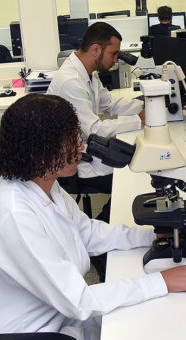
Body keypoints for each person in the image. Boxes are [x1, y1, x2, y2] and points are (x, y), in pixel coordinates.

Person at [0, 93, 186, 340]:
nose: (81, 146)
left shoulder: (41, 179)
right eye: (71, 140)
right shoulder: (15, 215)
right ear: (39, 153)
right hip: (37, 333)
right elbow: (80, 301)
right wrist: (160, 282)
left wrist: (151, 236)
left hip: (63, 317)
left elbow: (85, 232)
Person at [47, 22, 145, 224]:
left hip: (87, 149)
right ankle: (104, 227)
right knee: (133, 178)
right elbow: (94, 130)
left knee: (138, 164)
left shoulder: (88, 74)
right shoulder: (71, 82)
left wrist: (145, 106)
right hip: (75, 162)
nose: (116, 60)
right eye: (114, 54)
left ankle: (107, 226)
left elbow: (110, 103)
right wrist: (138, 120)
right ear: (95, 49)